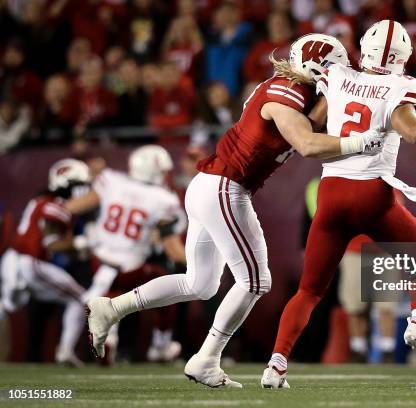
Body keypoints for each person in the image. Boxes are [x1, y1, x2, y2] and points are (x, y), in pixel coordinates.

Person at [84, 34, 384, 388]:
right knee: (257, 281)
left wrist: (333, 100)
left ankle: (112, 309)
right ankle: (207, 359)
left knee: (200, 283)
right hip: (226, 187)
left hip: (211, 185)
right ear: (319, 69)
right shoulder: (285, 92)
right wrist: (361, 142)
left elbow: (312, 127)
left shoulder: (294, 91)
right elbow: (306, 143)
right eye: (335, 72)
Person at [261, 20, 416, 389]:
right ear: (404, 56)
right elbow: (415, 132)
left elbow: (311, 124)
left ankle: (276, 365)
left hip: (331, 193)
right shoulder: (402, 84)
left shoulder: (338, 75)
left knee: (309, 291)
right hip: (372, 193)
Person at [65, 145, 187, 363]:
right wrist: (195, 263)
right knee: (168, 286)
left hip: (98, 261)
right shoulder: (163, 199)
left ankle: (109, 335)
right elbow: (173, 248)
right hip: (130, 266)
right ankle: (160, 345)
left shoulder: (111, 181)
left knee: (115, 289)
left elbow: (73, 207)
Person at [0, 159, 91, 366]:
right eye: (79, 185)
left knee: (8, 304)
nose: (83, 191)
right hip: (30, 261)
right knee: (80, 299)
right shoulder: (55, 206)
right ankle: (65, 350)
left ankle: (65, 351)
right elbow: (52, 245)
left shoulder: (42, 200)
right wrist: (83, 241)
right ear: (66, 183)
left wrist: (77, 249)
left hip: (13, 259)